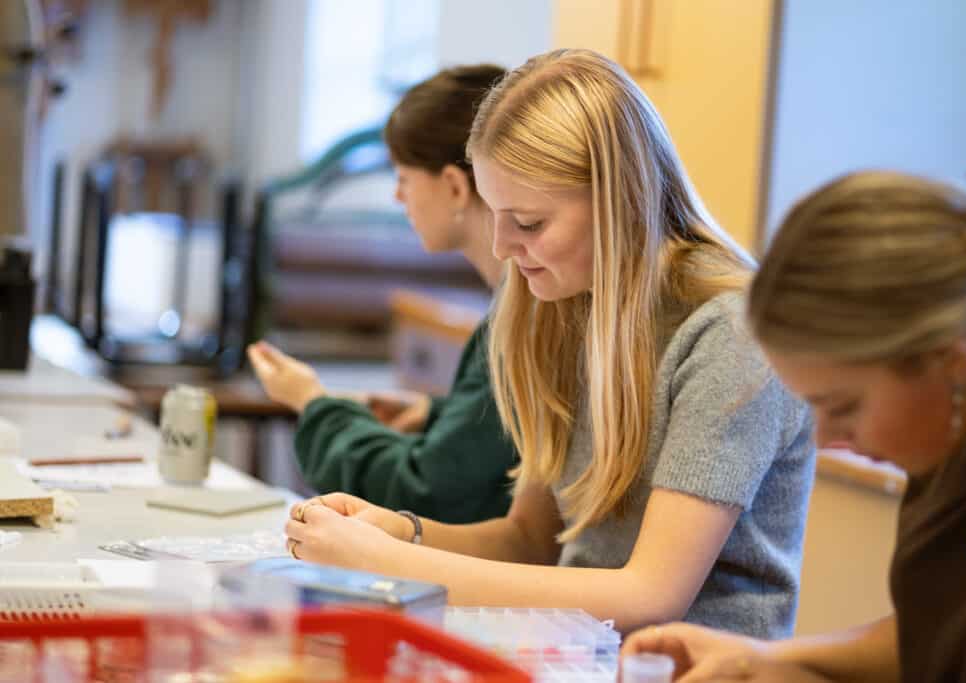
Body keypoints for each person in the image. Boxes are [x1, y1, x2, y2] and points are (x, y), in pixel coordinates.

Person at [281, 49, 815, 637]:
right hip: (579, 654)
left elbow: (649, 596)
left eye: (529, 223)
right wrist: (404, 532)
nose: (503, 246)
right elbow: (529, 541)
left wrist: (390, 562)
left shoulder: (729, 333)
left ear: (620, 201)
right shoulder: (559, 305)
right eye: (496, 214)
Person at [621, 166, 966, 680]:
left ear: (950, 361)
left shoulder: (951, 417)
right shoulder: (957, 422)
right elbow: (944, 632)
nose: (827, 438)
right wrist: (760, 656)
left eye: (845, 406)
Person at [247, 64, 518, 524]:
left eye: (403, 178)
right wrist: (438, 415)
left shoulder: (517, 325)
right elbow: (492, 447)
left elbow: (426, 491)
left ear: (455, 186)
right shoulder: (513, 310)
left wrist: (313, 404)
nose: (397, 197)